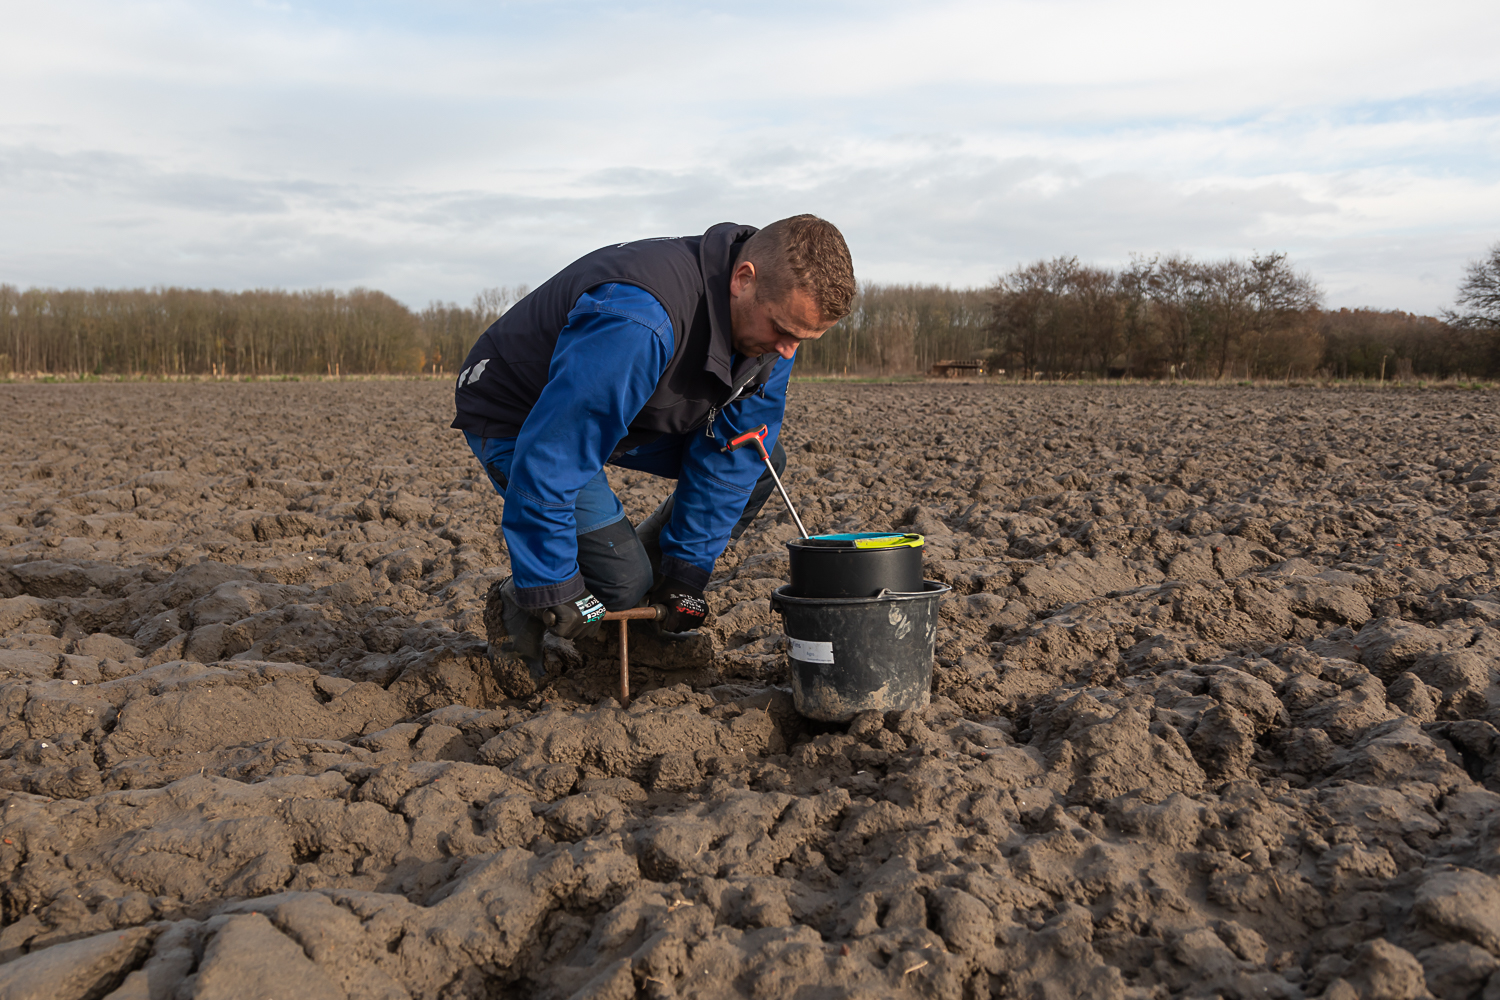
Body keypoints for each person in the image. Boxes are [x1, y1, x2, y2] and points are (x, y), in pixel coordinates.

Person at [452, 215, 855, 695]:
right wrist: (552, 584)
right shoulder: (637, 320)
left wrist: (684, 572)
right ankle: (519, 601)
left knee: (764, 460)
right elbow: (556, 454)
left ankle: (637, 617)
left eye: (803, 340)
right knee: (615, 584)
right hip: (523, 414)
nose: (788, 353)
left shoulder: (770, 337)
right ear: (743, 279)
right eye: (784, 330)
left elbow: (736, 453)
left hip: (630, 410)